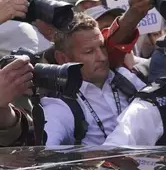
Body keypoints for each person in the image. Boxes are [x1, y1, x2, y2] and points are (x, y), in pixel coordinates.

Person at [41, 12, 147, 146]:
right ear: (63, 59)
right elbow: (46, 150)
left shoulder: (125, 78)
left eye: (102, 47)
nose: (102, 57)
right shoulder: (60, 105)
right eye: (89, 52)